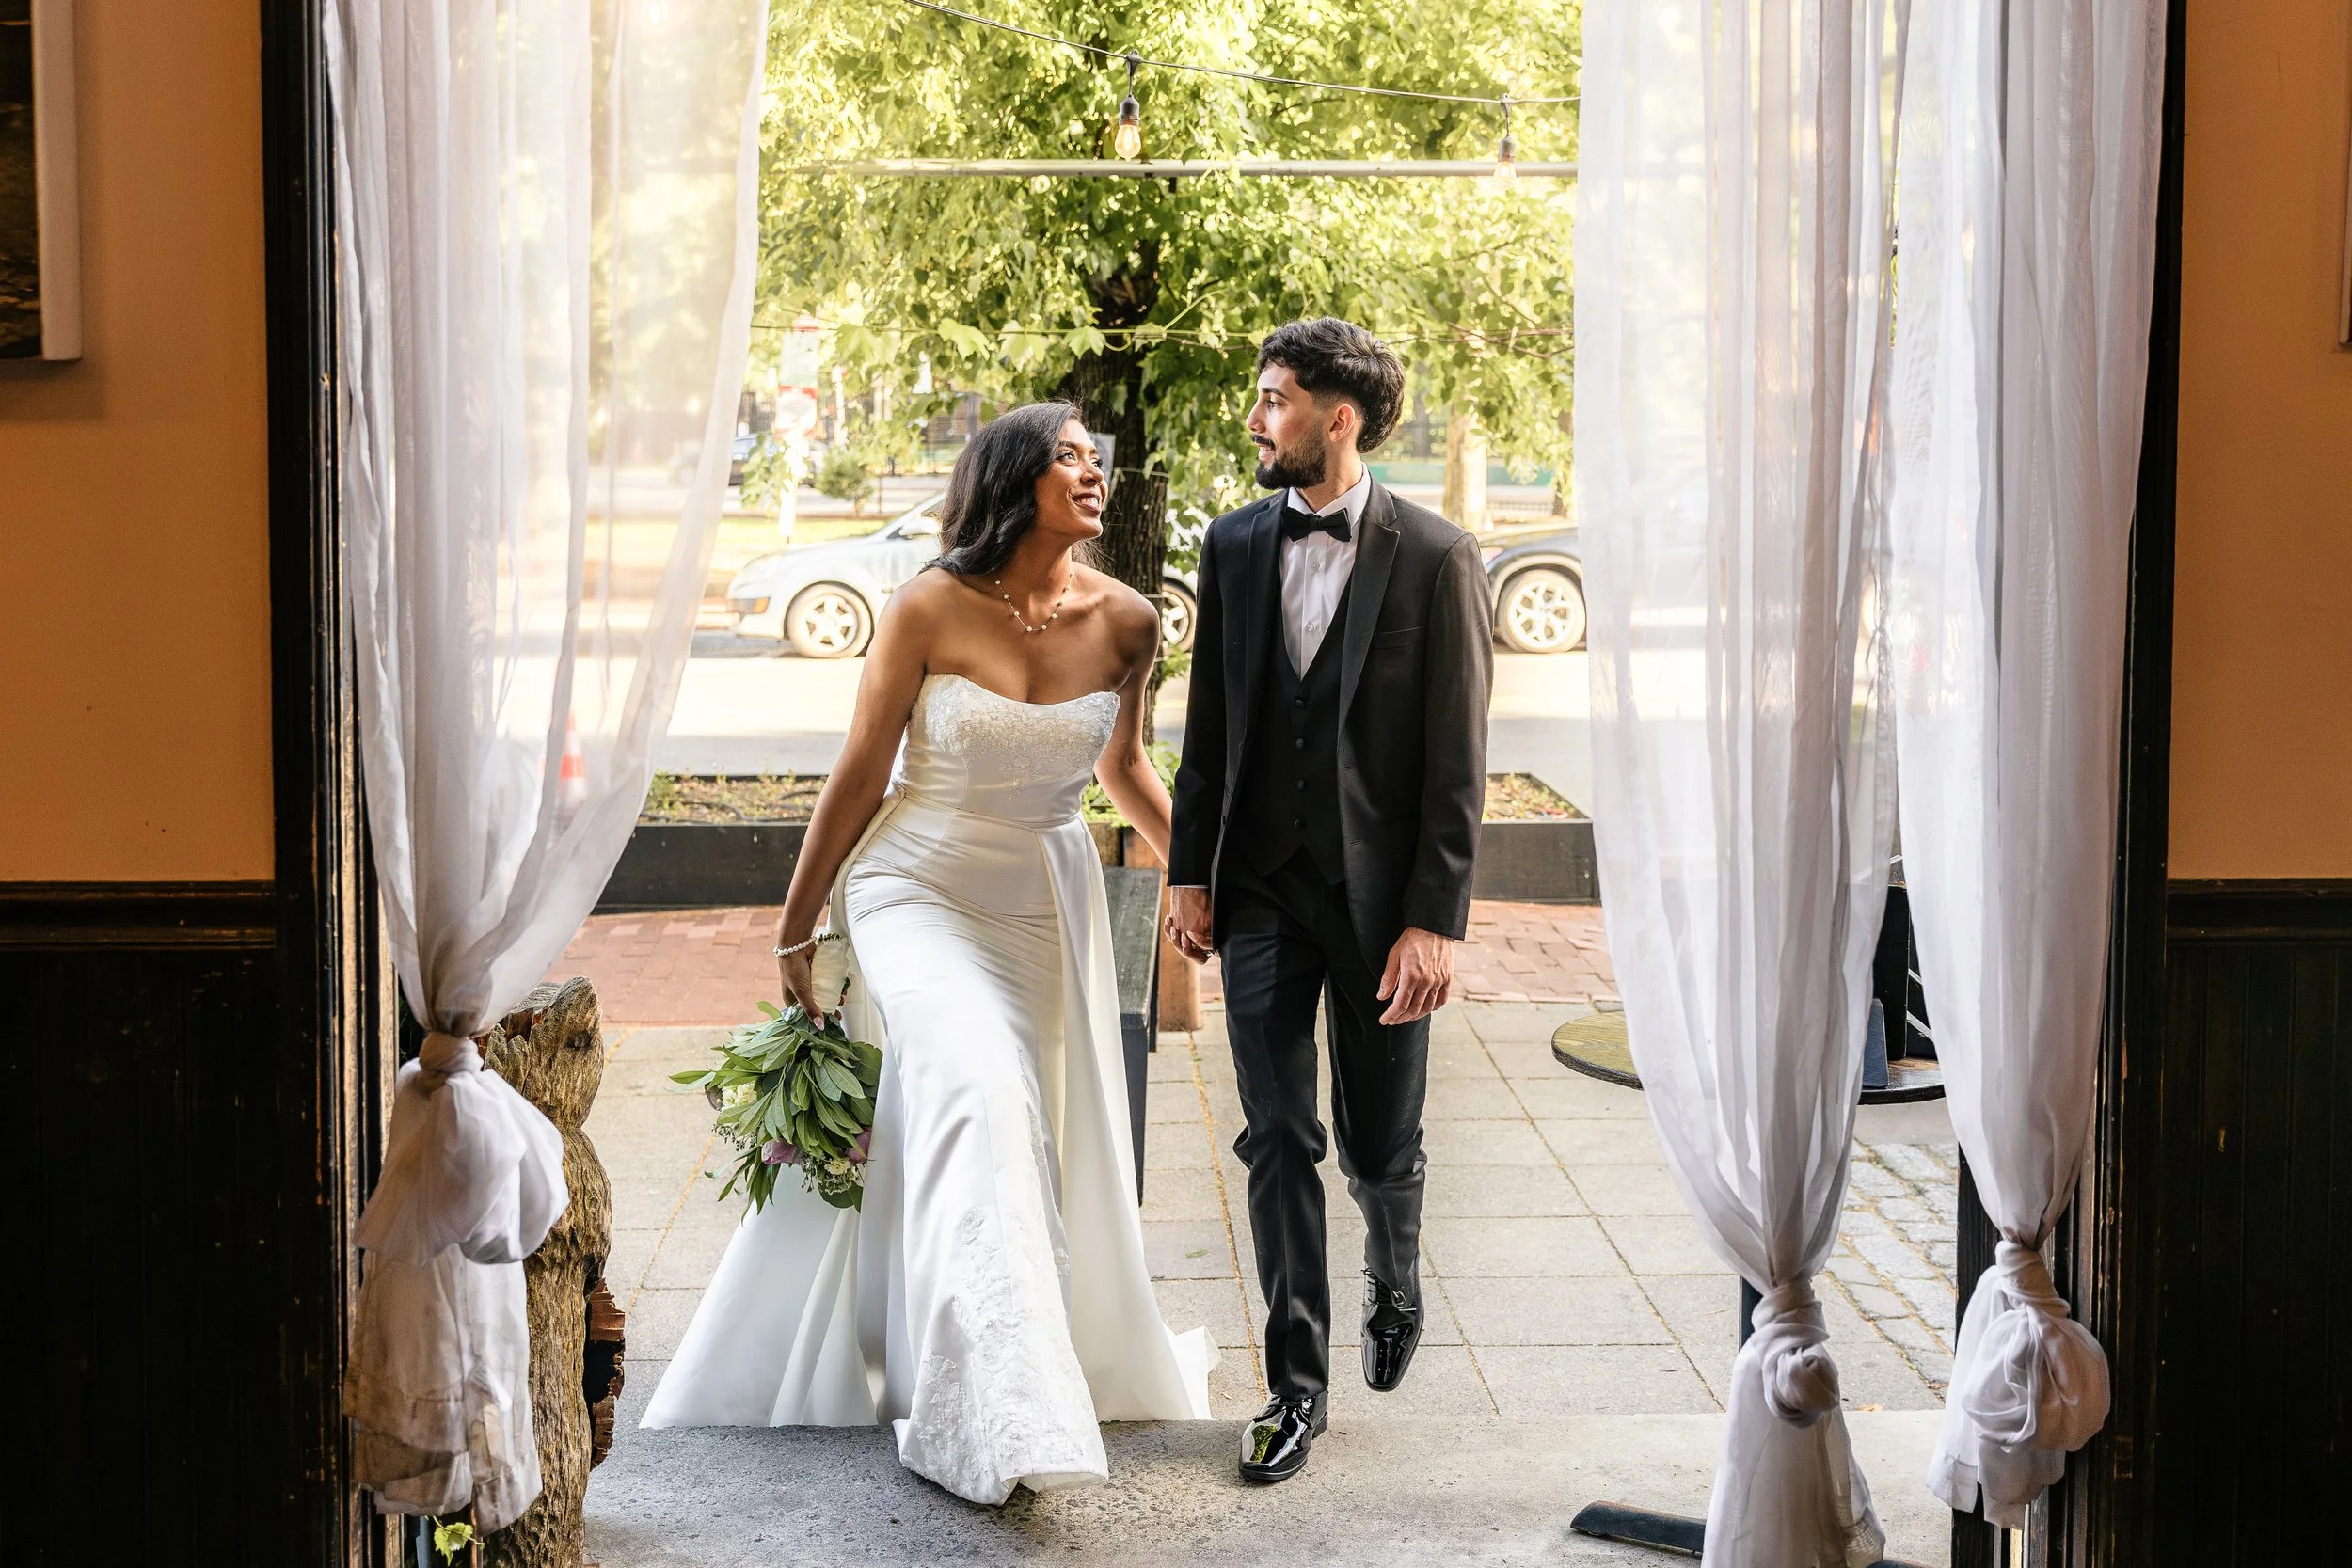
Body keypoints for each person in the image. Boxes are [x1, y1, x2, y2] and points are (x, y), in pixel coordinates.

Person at [643, 402, 1215, 1506]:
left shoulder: (1133, 621)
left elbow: (1125, 767)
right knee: (973, 1084)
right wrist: (794, 922)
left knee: (1021, 1120)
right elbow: (860, 774)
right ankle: (984, 1404)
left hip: (1043, 900)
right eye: (1068, 457)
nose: (1094, 473)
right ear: (1012, 478)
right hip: (915, 883)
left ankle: (959, 1349)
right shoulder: (926, 607)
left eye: (1098, 458)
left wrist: (1192, 874)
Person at [1165, 318, 1492, 1484]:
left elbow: (1458, 762)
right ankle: (1293, 1384)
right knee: (1275, 1135)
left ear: (1335, 418)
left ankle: (1393, 1261)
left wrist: (1435, 918)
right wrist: (1189, 869)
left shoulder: (1440, 556)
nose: (1256, 419)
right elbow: (1211, 725)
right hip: (1257, 889)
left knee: (1377, 1138)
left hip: (1382, 904)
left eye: (1273, 400)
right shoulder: (1235, 542)